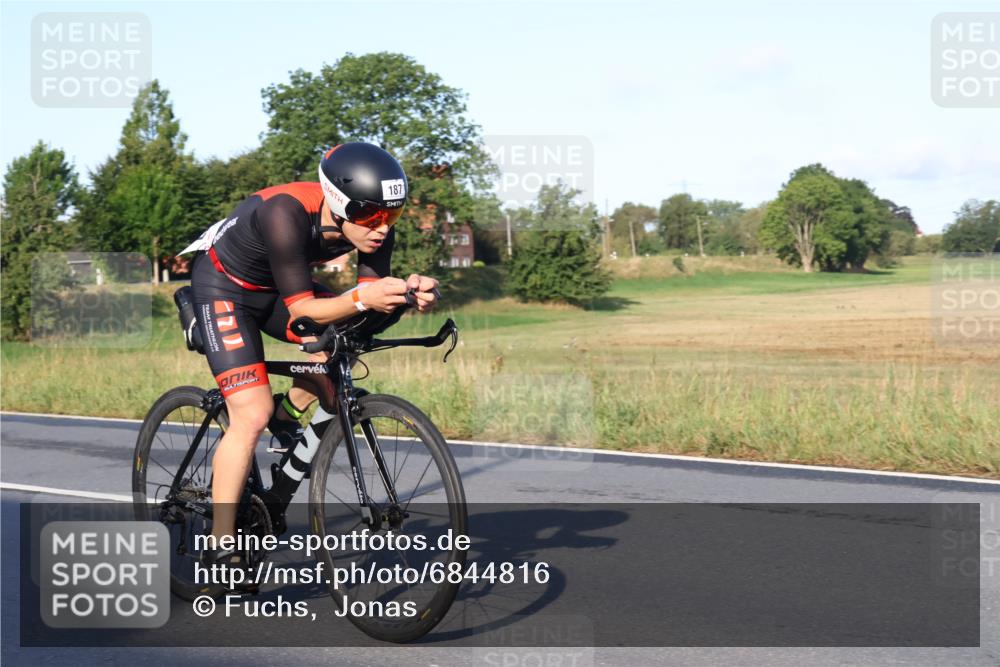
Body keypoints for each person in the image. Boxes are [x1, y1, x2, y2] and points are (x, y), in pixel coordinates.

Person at [185, 142, 438, 567]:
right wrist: (364, 298)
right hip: (225, 291)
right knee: (250, 414)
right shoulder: (284, 213)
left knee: (340, 347)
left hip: (276, 292)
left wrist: (407, 297)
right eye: (370, 215)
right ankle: (220, 544)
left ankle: (288, 415)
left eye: (391, 215)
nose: (380, 228)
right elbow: (307, 309)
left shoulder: (373, 227)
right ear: (338, 203)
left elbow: (362, 314)